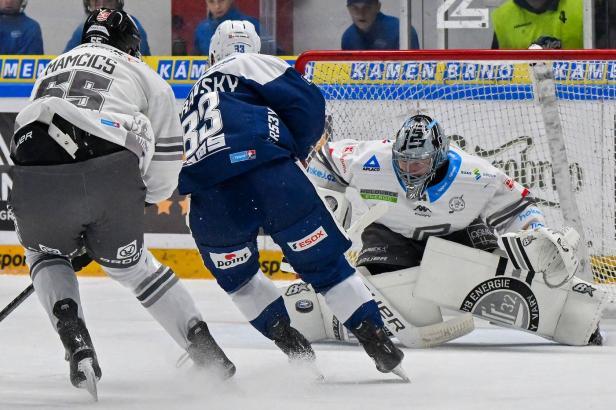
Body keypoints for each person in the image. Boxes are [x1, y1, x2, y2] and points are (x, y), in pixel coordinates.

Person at [8, 8, 234, 400]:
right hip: (110, 167)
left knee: (43, 254)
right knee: (137, 270)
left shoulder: (52, 67)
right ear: (130, 45)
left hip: (34, 175)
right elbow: (164, 174)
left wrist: (71, 227)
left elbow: (34, 136)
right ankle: (203, 346)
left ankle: (73, 335)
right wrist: (119, 209)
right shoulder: (145, 74)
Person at [179, 20, 407, 380]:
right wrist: (294, 150)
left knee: (240, 280)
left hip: (209, 196)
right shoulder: (255, 62)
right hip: (271, 175)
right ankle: (375, 337)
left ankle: (289, 342)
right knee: (325, 266)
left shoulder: (193, 96)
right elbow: (310, 106)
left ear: (212, 54)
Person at [295, 114, 606, 347]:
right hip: (390, 233)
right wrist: (325, 204)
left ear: (439, 155)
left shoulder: (476, 175)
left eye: (417, 164)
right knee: (386, 292)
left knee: (501, 283)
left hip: (458, 233)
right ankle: (315, 314)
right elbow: (324, 158)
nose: (408, 170)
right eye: (403, 162)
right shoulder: (371, 158)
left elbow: (518, 206)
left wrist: (535, 232)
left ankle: (574, 316)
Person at [64, 0, 151, 55]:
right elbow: (67, 59)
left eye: (108, 0)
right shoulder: (82, 28)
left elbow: (137, 61)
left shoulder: (130, 24)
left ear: (118, 2)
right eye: (96, 1)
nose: (102, 6)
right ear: (88, 3)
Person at [491, 0, 583, 49]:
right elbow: (495, 72)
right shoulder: (503, 16)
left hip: (579, 83)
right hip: (523, 83)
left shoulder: (584, 6)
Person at [341, 0, 419, 50]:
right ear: (348, 9)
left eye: (367, 7)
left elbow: (413, 69)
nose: (361, 14)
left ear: (378, 7)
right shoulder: (348, 37)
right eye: (355, 8)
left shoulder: (401, 32)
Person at [193, 0, 260, 56]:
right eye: (211, 1)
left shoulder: (251, 25)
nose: (217, 6)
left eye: (221, 0)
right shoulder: (201, 29)